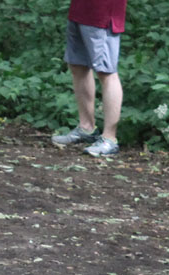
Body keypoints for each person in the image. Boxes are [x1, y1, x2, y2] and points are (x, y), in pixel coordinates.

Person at [50, 0, 127, 157]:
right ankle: (86, 128)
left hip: (103, 12)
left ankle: (109, 139)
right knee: (77, 66)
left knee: (106, 72)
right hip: (80, 9)